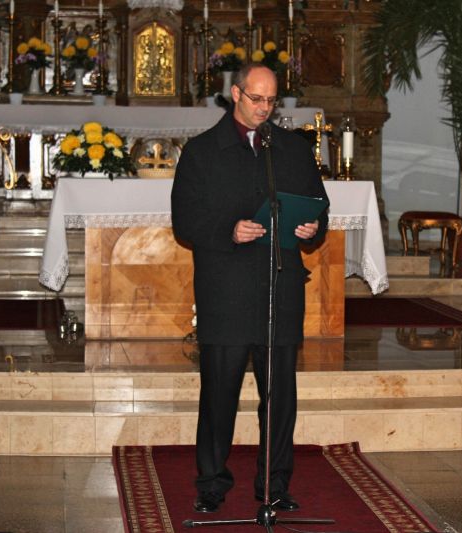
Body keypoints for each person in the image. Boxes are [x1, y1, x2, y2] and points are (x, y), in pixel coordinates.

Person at [171, 63, 329, 514]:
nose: (264, 108)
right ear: (236, 94)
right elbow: (185, 220)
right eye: (256, 99)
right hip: (226, 290)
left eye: (271, 100)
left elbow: (319, 206)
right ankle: (212, 483)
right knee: (219, 394)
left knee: (279, 398)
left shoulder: (292, 149)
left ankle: (274, 484)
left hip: (281, 286)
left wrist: (312, 227)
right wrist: (229, 230)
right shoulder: (203, 151)